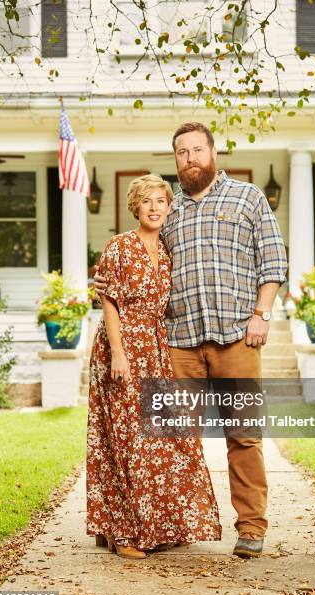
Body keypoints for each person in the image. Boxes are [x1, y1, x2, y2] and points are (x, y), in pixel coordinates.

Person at [95, 123, 288, 558]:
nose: (190, 158)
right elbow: (136, 264)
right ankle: (161, 524)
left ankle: (252, 527)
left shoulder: (249, 198)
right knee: (167, 436)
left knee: (244, 436)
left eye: (197, 149)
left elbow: (274, 261)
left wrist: (262, 314)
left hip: (237, 338)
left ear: (213, 152)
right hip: (177, 344)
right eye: (182, 152)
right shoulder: (169, 208)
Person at [87, 174, 222, 560]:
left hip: (156, 348)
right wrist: (118, 352)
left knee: (163, 439)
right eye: (146, 201)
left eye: (160, 201)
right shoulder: (119, 246)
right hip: (122, 346)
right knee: (127, 440)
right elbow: (109, 302)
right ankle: (123, 532)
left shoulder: (165, 252)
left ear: (168, 206)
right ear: (136, 207)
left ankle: (156, 523)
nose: (154, 208)